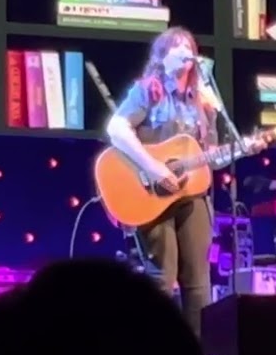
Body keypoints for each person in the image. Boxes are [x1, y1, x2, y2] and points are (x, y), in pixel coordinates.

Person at [105, 27, 261, 335]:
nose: (184, 51)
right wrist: (153, 167)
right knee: (162, 277)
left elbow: (210, 157)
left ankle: (196, 352)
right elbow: (116, 128)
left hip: (192, 196)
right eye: (175, 46)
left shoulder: (203, 103)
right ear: (162, 57)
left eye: (188, 46)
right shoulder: (147, 92)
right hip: (151, 193)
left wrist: (244, 148)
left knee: (198, 281)